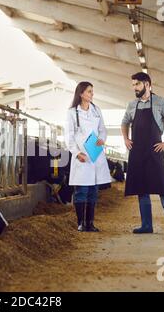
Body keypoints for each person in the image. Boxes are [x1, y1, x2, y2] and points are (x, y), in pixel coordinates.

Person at [121, 72, 164, 236]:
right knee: (142, 189)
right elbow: (124, 122)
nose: (134, 88)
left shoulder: (161, 103)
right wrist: (126, 138)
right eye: (133, 85)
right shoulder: (132, 105)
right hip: (138, 152)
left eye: (137, 84)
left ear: (147, 84)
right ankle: (146, 225)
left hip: (155, 152)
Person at [65, 81, 112, 232]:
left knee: (93, 191)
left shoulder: (96, 110)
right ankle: (80, 223)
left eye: (92, 91)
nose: (92, 94)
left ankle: (90, 223)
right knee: (81, 191)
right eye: (89, 91)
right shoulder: (72, 112)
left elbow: (102, 130)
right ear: (81, 94)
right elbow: (69, 136)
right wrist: (77, 153)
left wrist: (102, 139)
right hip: (82, 155)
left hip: (95, 153)